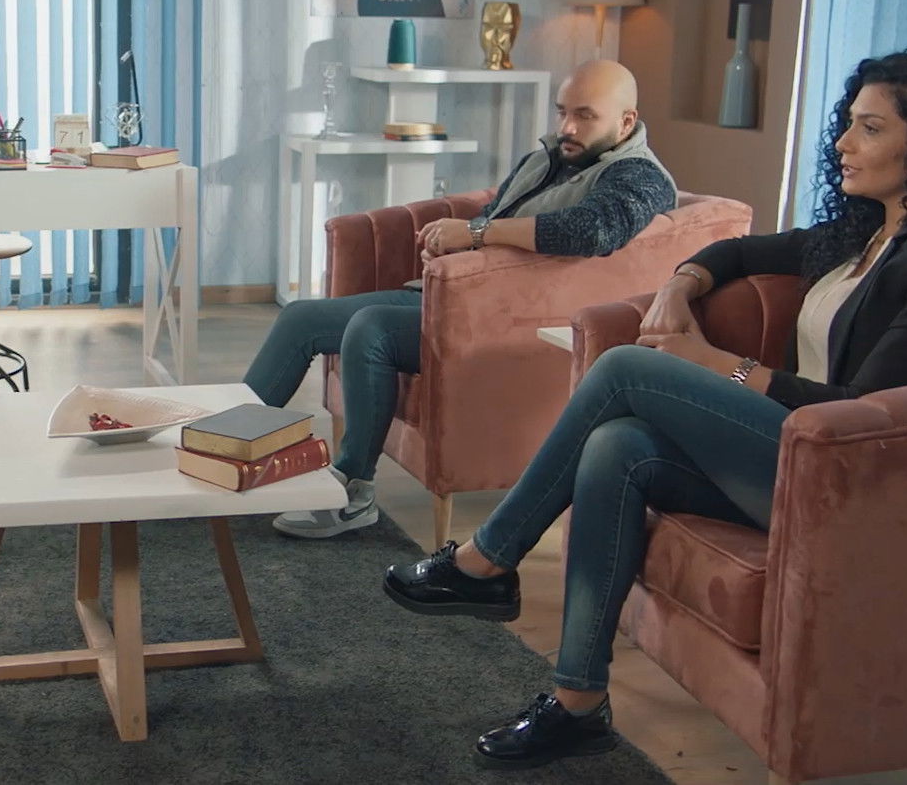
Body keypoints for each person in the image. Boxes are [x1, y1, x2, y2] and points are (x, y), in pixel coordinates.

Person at [382, 48, 907, 770]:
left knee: (624, 368)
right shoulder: (864, 232)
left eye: (870, 128)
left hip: (855, 483)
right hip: (792, 456)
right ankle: (577, 701)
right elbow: (734, 252)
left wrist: (716, 364)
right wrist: (680, 286)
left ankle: (488, 559)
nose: (842, 141)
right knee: (617, 446)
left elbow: (867, 414)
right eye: (849, 123)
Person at [245, 59, 677, 538]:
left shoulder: (640, 177)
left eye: (585, 115)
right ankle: (222, 452)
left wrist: (475, 234)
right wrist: (454, 242)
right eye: (562, 112)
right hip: (452, 298)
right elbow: (494, 216)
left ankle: (353, 492)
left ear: (626, 121)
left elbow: (591, 230)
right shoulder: (550, 156)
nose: (567, 128)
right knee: (301, 318)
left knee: (372, 328)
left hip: (496, 322)